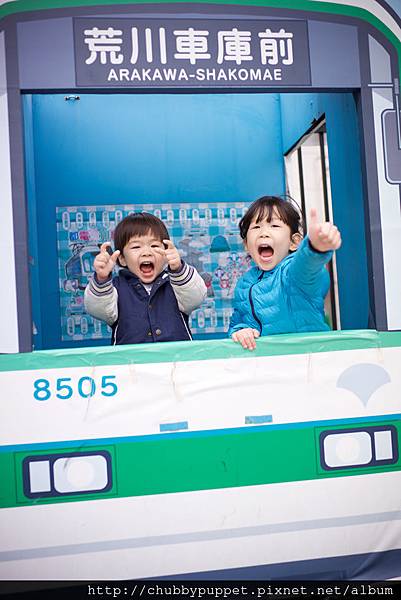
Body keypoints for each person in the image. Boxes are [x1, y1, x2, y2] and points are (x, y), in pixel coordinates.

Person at [228, 195, 341, 351]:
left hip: (309, 357)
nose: (263, 233)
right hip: (268, 361)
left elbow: (306, 266)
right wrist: (240, 332)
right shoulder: (244, 284)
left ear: (294, 242)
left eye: (274, 226)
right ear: (246, 244)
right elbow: (237, 323)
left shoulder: (291, 272)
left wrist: (314, 248)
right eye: (256, 227)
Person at [84, 212, 207, 344]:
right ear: (122, 259)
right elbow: (98, 310)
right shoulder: (114, 289)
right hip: (130, 357)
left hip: (176, 356)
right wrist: (102, 279)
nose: (147, 253)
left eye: (154, 246)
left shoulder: (177, 284)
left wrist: (178, 269)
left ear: (166, 254)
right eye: (136, 247)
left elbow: (196, 298)